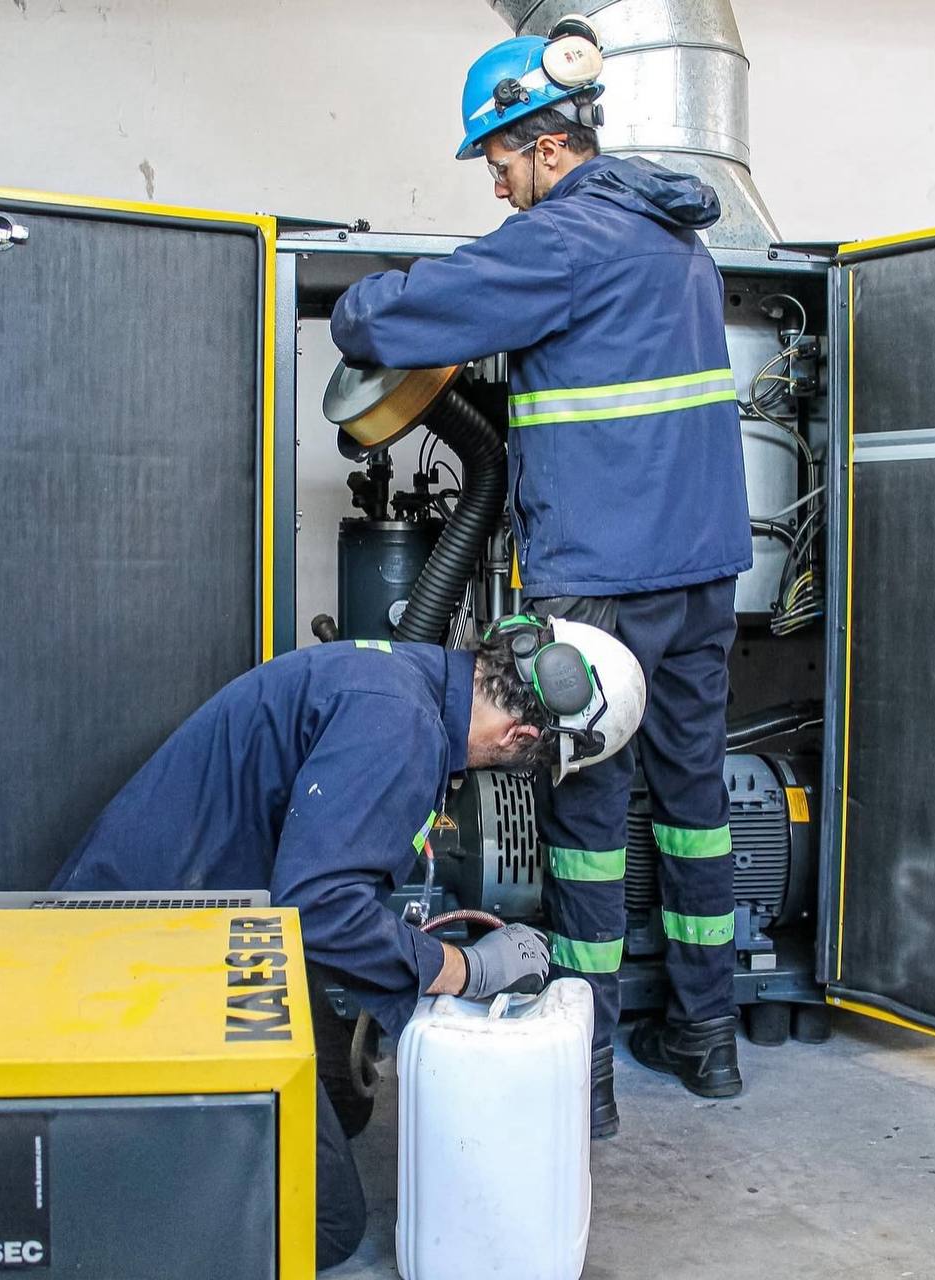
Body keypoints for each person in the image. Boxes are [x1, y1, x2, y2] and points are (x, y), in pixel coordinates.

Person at [329, 19, 753, 1139]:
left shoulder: (569, 236)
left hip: (599, 582)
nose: (497, 185)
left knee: (587, 817)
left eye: (495, 163)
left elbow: (411, 310)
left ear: (538, 141)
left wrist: (357, 302)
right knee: (696, 804)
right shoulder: (678, 241)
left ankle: (588, 1063)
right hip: (703, 569)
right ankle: (707, 1039)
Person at [52, 618, 644, 1267]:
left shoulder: (403, 683)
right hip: (144, 967)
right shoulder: (400, 727)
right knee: (328, 1223)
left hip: (204, 927)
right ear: (520, 736)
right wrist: (462, 969)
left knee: (342, 1104)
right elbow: (317, 906)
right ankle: (94, 1208)